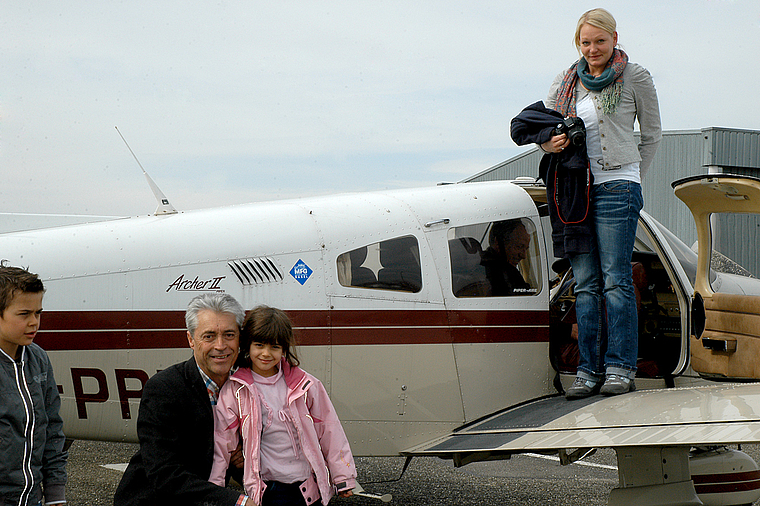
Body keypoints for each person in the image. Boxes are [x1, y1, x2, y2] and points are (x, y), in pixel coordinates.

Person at [542, 8, 661, 398]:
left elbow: (653, 133)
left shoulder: (635, 76)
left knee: (616, 281)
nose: (592, 49)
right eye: (585, 42)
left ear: (614, 38)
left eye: (599, 41)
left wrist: (632, 174)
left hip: (617, 187)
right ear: (578, 43)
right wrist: (549, 143)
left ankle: (620, 367)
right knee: (586, 284)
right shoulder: (565, 81)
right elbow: (545, 128)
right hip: (577, 190)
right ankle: (587, 370)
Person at [114, 293, 254, 506]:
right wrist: (235, 501)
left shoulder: (243, 388)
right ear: (191, 339)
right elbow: (164, 474)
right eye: (208, 336)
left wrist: (244, 461)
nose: (220, 345)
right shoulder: (164, 389)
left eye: (229, 335)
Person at [209, 305, 357, 506]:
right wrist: (214, 488)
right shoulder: (235, 390)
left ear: (284, 349)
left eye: (275, 347)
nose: (266, 353)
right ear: (247, 346)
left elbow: (330, 430)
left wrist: (343, 477)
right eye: (259, 345)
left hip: (307, 488)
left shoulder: (306, 385)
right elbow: (222, 442)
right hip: (268, 488)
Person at [0, 265, 68, 506]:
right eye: (24, 314)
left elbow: (51, 428)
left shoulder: (37, 358)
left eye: (38, 313)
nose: (34, 322)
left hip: (31, 499)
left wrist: (55, 493)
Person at [480, 219, 532, 296]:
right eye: (519, 247)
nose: (523, 256)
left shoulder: (502, 269)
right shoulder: (495, 273)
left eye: (526, 249)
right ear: (498, 242)